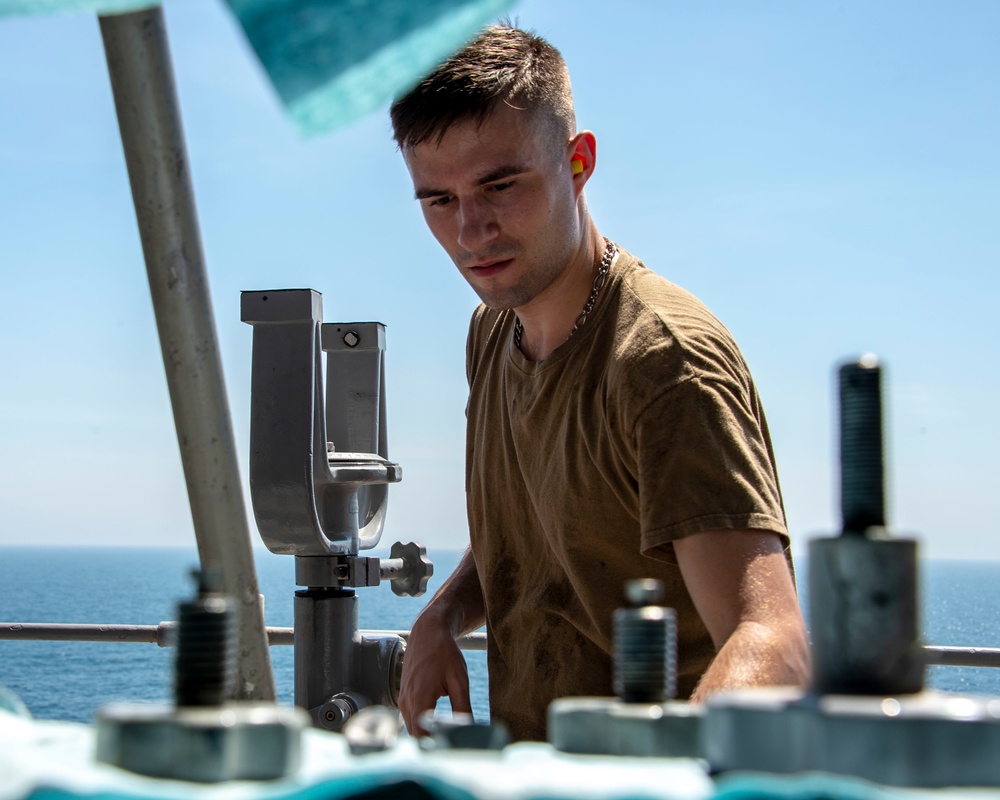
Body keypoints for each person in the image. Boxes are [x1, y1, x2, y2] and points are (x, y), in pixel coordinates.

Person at [389, 24, 810, 743]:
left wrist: (653, 782)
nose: (471, 231)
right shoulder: (493, 331)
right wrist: (442, 615)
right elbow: (544, 538)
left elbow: (772, 642)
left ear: (578, 163)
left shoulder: (663, 362)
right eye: (439, 201)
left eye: (500, 185)